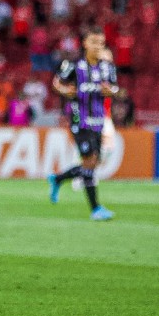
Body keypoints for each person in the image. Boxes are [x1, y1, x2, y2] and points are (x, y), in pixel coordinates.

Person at [47, 28, 121, 221]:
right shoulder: (73, 64)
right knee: (90, 161)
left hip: (98, 119)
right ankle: (96, 209)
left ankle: (58, 179)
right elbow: (57, 82)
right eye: (94, 42)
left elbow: (115, 88)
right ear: (85, 43)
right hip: (79, 118)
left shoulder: (107, 67)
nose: (98, 47)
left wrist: (110, 90)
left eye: (101, 43)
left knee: (93, 163)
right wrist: (65, 90)